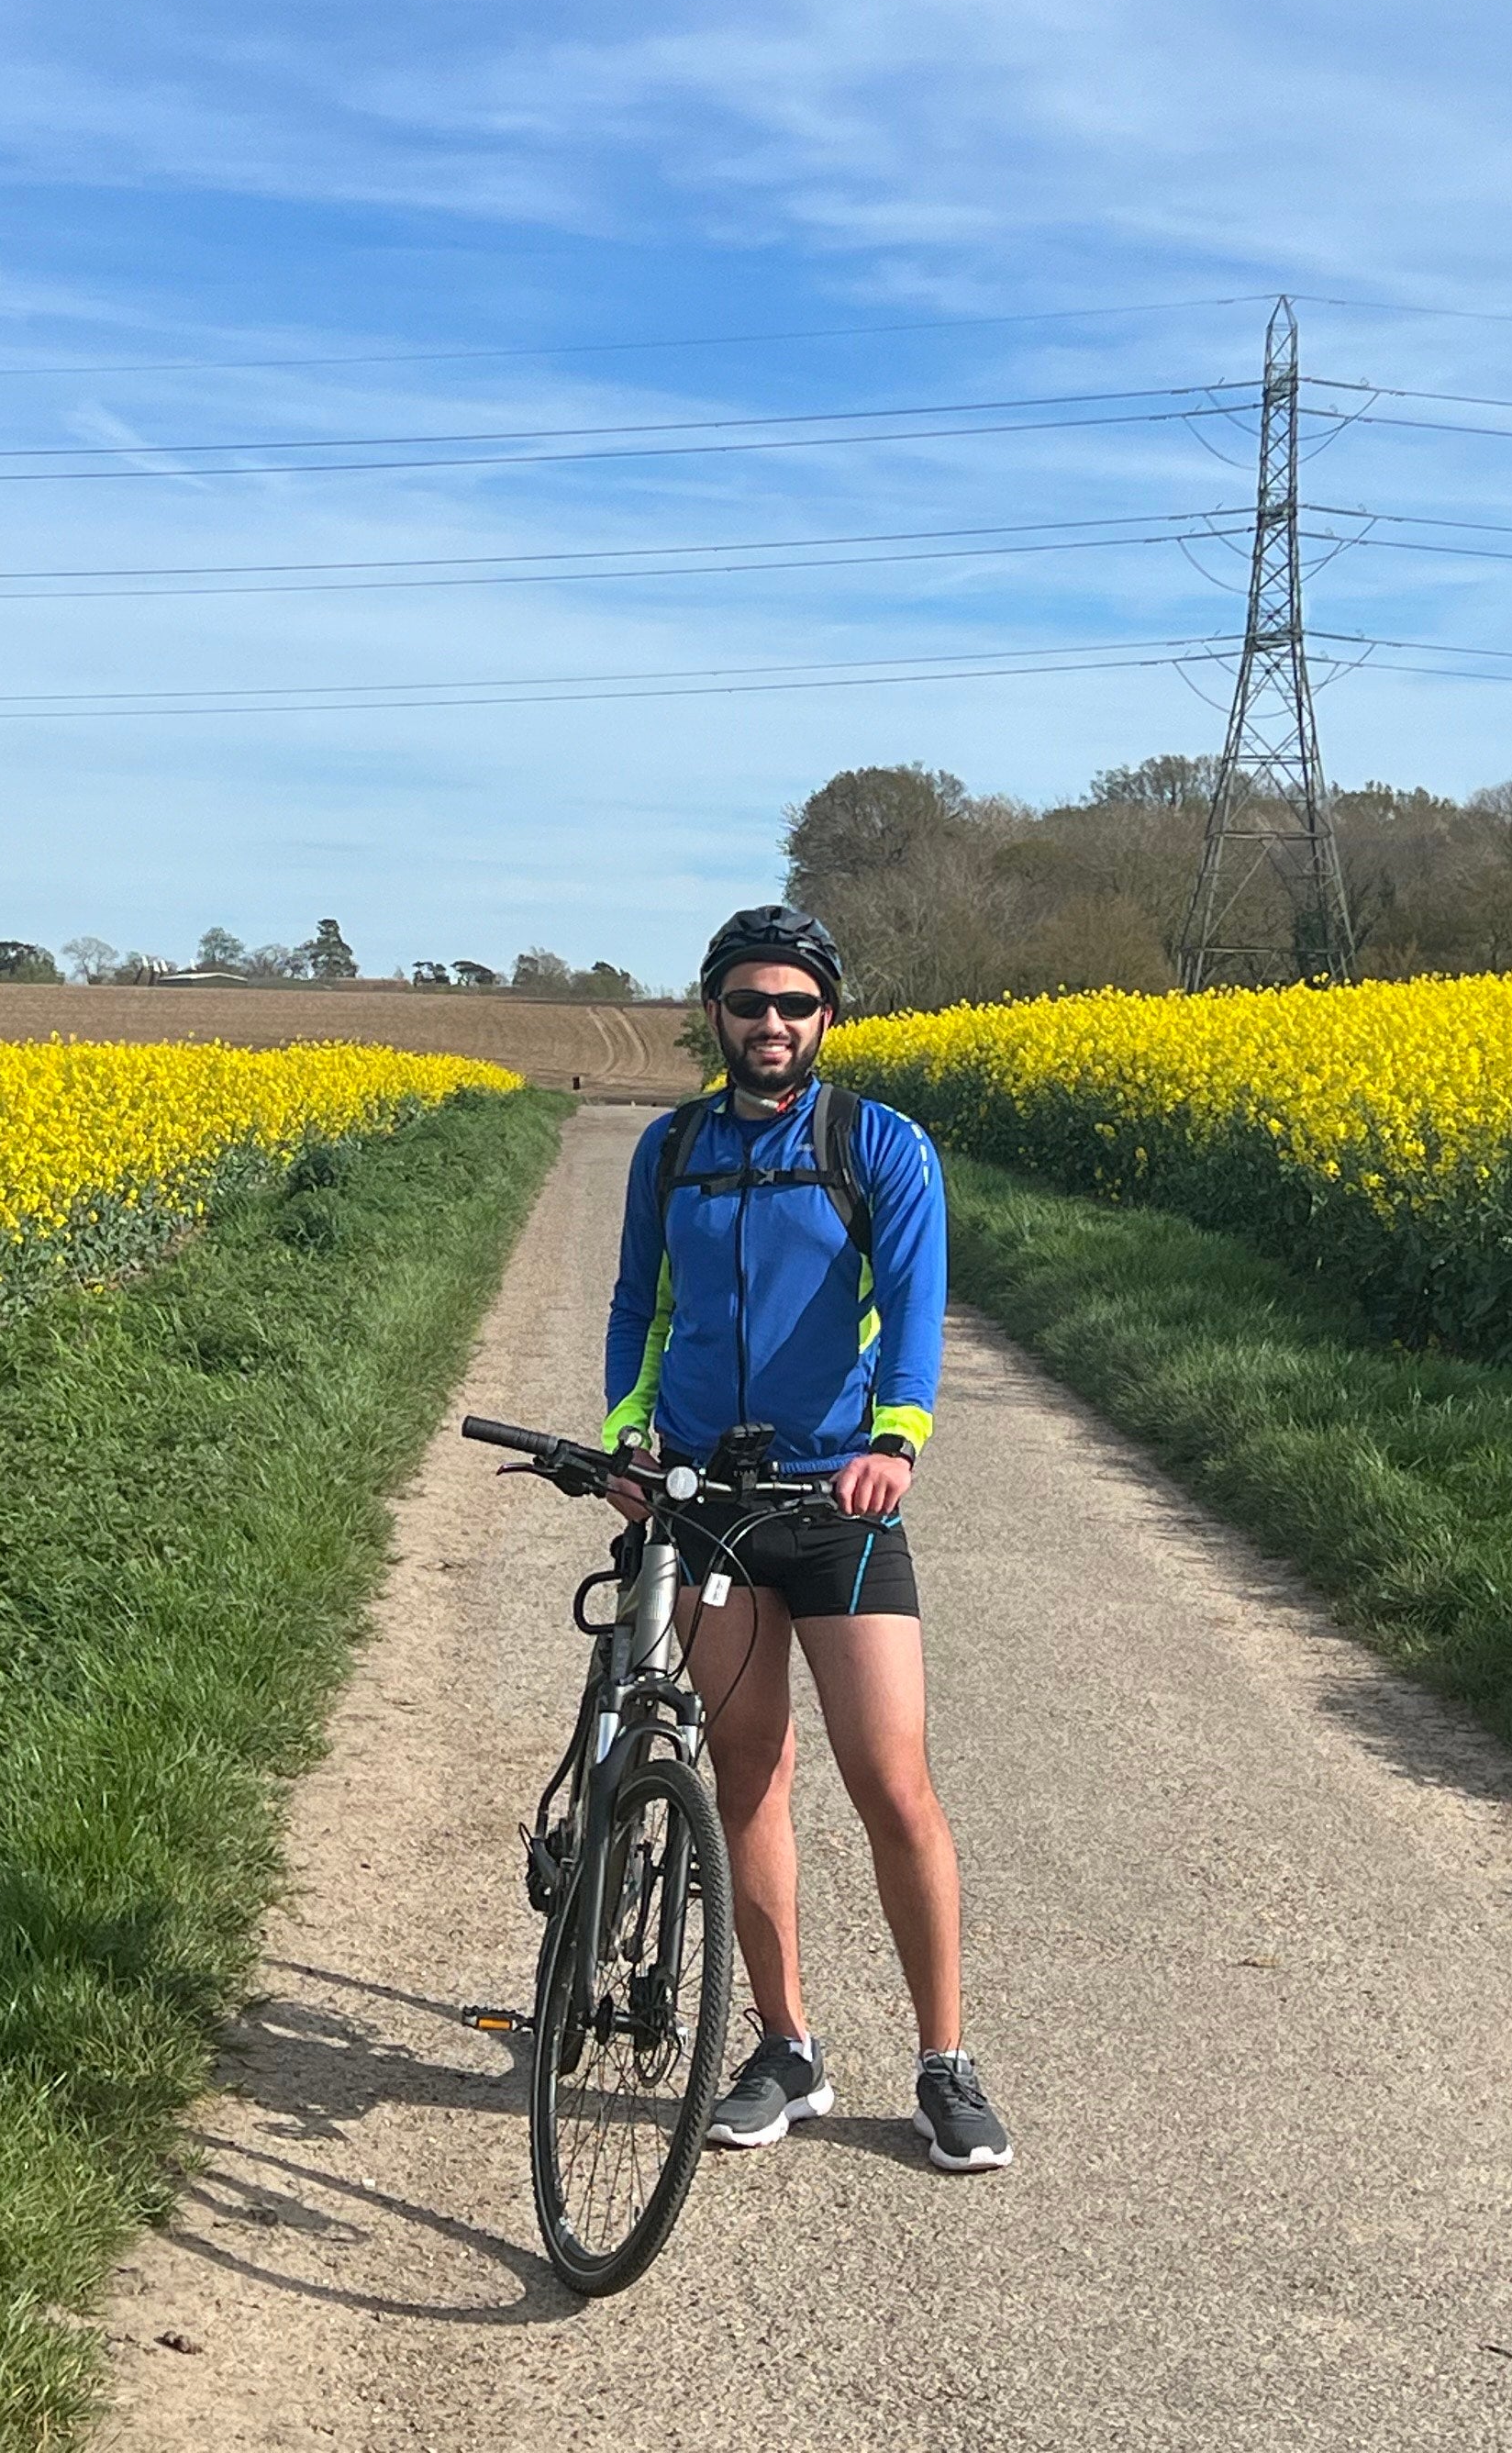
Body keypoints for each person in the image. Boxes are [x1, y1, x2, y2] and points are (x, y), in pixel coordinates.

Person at [596, 904, 1011, 2174]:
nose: (769, 1024)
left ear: (828, 1018)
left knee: (894, 1785)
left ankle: (944, 2061)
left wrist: (898, 1439)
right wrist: (627, 1435)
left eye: (793, 1004)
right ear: (713, 1012)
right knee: (749, 1779)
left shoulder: (878, 1144)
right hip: (707, 1499)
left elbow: (922, 1300)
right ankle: (786, 2046)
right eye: (746, 1001)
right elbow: (636, 1303)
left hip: (837, 1502)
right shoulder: (669, 1151)